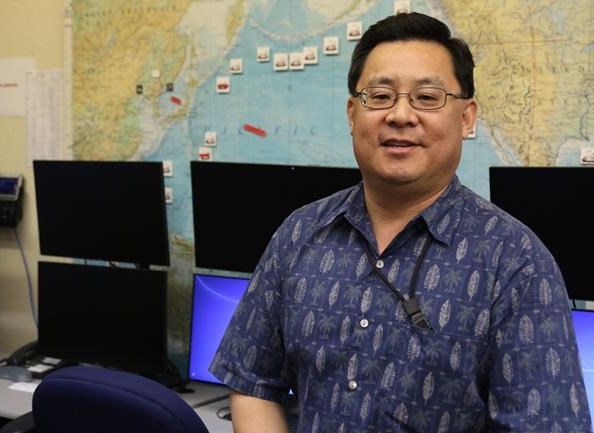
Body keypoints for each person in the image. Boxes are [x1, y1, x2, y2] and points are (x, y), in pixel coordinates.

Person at [210, 12, 593, 433]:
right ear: (353, 114)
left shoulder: (517, 264)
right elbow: (252, 382)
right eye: (380, 96)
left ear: (466, 117)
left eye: (427, 97)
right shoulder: (299, 233)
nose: (401, 115)